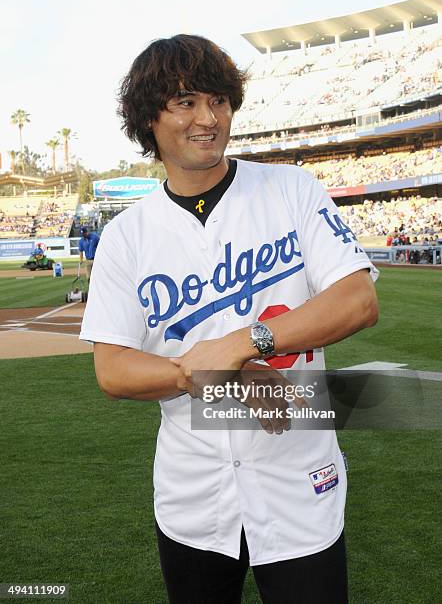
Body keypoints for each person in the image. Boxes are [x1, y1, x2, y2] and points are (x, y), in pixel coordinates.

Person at [79, 35, 379, 604]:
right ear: (149, 118)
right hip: (193, 494)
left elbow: (357, 299)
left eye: (219, 101)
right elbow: (113, 370)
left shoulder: (291, 189)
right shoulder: (126, 235)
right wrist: (214, 376)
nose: (209, 118)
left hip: (300, 476)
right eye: (186, 101)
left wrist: (247, 342)